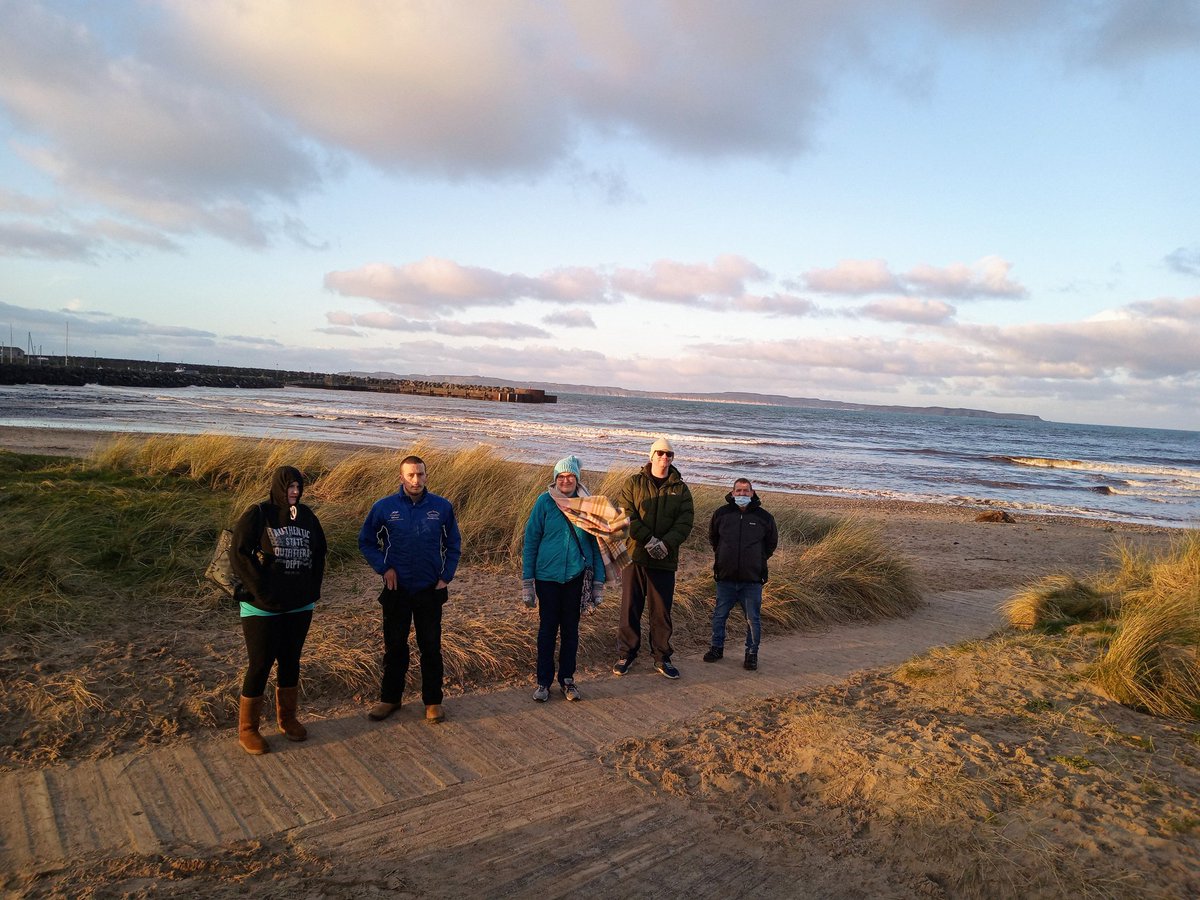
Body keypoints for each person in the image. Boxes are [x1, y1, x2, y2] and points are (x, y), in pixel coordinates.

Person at [229, 465, 327, 755]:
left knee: (290, 661)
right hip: (262, 607)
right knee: (260, 665)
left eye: (298, 486)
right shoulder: (258, 513)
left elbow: (320, 551)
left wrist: (312, 589)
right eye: (289, 487)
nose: (294, 492)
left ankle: (287, 718)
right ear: (278, 487)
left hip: (299, 604)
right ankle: (248, 729)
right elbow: (238, 553)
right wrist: (261, 589)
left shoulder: (307, 516)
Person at [359, 455, 461, 724]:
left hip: (430, 588)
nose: (416, 480)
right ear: (401, 477)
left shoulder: (441, 507)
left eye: (421, 474)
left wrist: (446, 577)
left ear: (426, 476)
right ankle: (390, 699)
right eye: (411, 475)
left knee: (430, 647)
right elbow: (366, 541)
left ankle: (433, 702)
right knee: (394, 647)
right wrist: (384, 568)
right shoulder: (384, 507)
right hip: (397, 590)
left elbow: (454, 545)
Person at [521, 456, 608, 702]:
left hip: (576, 577)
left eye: (570, 476)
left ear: (577, 479)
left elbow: (597, 545)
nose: (566, 480)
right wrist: (528, 582)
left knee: (571, 631)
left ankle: (568, 680)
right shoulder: (544, 503)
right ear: (555, 479)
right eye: (561, 476)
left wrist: (598, 584)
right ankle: (543, 682)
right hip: (547, 578)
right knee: (547, 630)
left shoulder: (587, 505)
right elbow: (531, 542)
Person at [614, 437, 693, 679]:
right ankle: (627, 654)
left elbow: (685, 521)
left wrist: (665, 544)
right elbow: (626, 514)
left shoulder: (681, 489)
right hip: (636, 556)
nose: (664, 458)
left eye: (669, 454)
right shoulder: (633, 483)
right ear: (651, 456)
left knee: (661, 611)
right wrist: (648, 540)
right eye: (660, 453)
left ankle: (661, 657)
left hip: (664, 559)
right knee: (630, 607)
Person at [704, 477, 778, 671]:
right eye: (739, 491)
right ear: (733, 493)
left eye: (746, 491)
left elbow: (771, 544)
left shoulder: (764, 517)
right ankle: (716, 648)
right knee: (720, 616)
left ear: (752, 493)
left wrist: (758, 560)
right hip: (725, 578)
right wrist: (722, 557)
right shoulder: (721, 514)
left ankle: (751, 654)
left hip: (752, 580)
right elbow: (714, 538)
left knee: (753, 619)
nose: (742, 494)